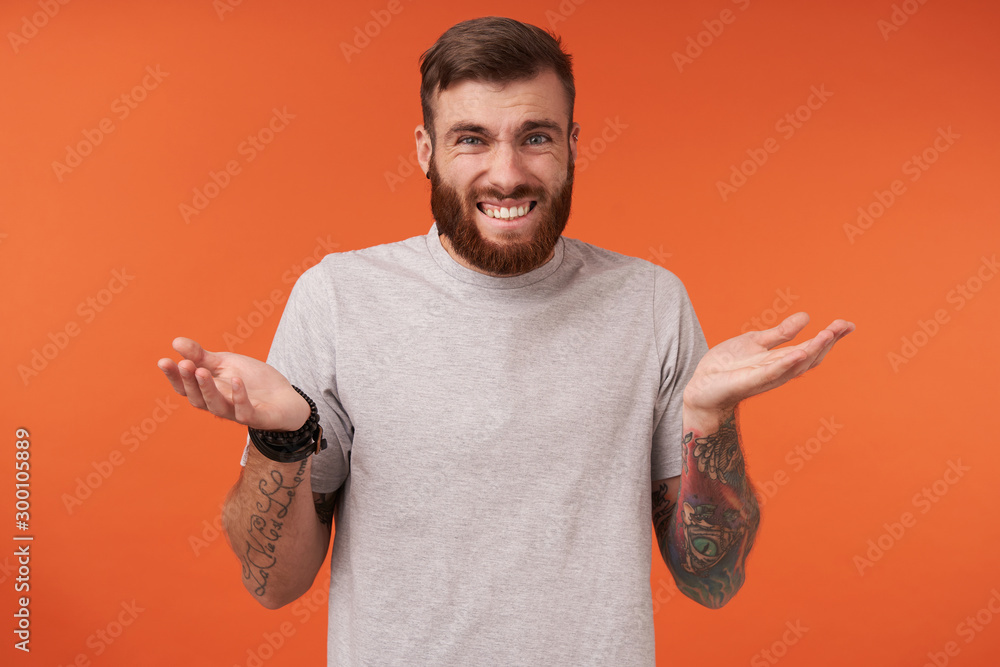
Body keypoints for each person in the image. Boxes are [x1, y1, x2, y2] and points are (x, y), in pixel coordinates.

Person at [157, 16, 854, 666]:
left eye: (536, 136)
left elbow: (714, 580)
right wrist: (283, 437)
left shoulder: (651, 303)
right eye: (471, 139)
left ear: (574, 146)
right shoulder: (337, 298)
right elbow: (273, 585)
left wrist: (710, 421)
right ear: (425, 152)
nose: (508, 171)